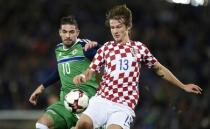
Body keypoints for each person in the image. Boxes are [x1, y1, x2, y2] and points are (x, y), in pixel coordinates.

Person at [73, 5, 203, 129]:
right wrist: (83, 76)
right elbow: (91, 70)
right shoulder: (106, 47)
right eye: (112, 28)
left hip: (123, 106)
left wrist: (183, 86)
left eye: (119, 27)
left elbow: (160, 69)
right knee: (82, 125)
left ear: (128, 26)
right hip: (102, 99)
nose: (115, 31)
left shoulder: (139, 48)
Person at [29, 15, 100, 129]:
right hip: (66, 102)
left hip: (88, 103)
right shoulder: (58, 49)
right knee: (41, 124)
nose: (68, 35)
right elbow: (60, 71)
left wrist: (97, 45)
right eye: (65, 32)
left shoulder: (85, 46)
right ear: (60, 32)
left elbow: (106, 57)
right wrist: (41, 87)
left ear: (77, 32)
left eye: (72, 32)